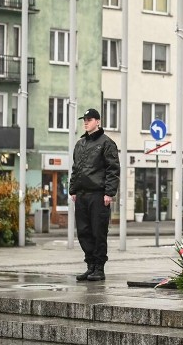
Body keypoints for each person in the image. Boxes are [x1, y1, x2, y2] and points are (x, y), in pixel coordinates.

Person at [69, 108, 119, 282]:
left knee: (98, 232)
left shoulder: (107, 143)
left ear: (98, 121)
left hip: (98, 195)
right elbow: (76, 169)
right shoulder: (80, 144)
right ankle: (90, 266)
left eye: (89, 120)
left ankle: (99, 268)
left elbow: (113, 170)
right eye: (84, 120)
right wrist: (73, 190)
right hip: (82, 195)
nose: (86, 122)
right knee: (84, 231)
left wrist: (109, 193)